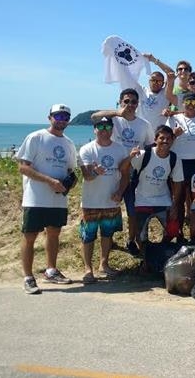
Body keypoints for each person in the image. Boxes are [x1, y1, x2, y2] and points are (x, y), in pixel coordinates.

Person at [17, 104, 78, 294]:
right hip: (35, 198)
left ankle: (51, 270)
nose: (62, 120)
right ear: (49, 117)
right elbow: (23, 167)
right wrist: (50, 181)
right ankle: (28, 277)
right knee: (30, 236)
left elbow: (71, 171)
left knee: (54, 234)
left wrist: (68, 183)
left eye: (66, 116)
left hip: (58, 200)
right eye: (58, 116)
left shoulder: (68, 143)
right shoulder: (36, 137)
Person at [92, 89, 154, 255]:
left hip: (134, 173)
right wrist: (117, 113)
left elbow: (150, 146)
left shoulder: (144, 124)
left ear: (138, 104)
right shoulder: (114, 121)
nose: (130, 105)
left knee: (133, 209)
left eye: (133, 102)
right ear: (120, 102)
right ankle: (108, 240)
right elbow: (95, 117)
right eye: (126, 101)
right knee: (109, 208)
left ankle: (131, 240)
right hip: (112, 171)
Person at [77, 116, 131, 284]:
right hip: (90, 201)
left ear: (112, 129)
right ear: (95, 129)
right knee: (88, 236)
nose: (104, 130)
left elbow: (125, 175)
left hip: (111, 200)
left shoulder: (121, 149)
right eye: (100, 126)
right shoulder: (86, 149)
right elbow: (86, 176)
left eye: (108, 126)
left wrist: (120, 192)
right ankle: (88, 269)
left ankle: (104, 264)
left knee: (107, 234)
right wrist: (95, 172)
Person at [129, 125, 184, 256]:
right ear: (155, 139)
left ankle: (161, 250)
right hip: (142, 200)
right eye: (162, 138)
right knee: (141, 233)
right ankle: (145, 257)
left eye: (169, 138)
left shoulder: (174, 159)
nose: (165, 141)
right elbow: (126, 170)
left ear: (172, 140)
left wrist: (175, 206)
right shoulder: (143, 155)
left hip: (163, 199)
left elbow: (178, 183)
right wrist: (130, 157)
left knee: (173, 230)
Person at [167, 92, 195, 233]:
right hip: (179, 163)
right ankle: (177, 233)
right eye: (188, 102)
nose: (191, 106)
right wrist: (174, 135)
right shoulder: (174, 119)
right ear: (182, 104)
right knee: (178, 200)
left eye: (194, 103)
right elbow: (164, 142)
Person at [127, 53, 176, 129]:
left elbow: (171, 73)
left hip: (157, 136)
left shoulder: (165, 93)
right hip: (140, 132)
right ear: (149, 81)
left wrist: (154, 60)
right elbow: (128, 75)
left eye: (159, 81)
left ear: (163, 83)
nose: (156, 83)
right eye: (153, 80)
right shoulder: (141, 91)